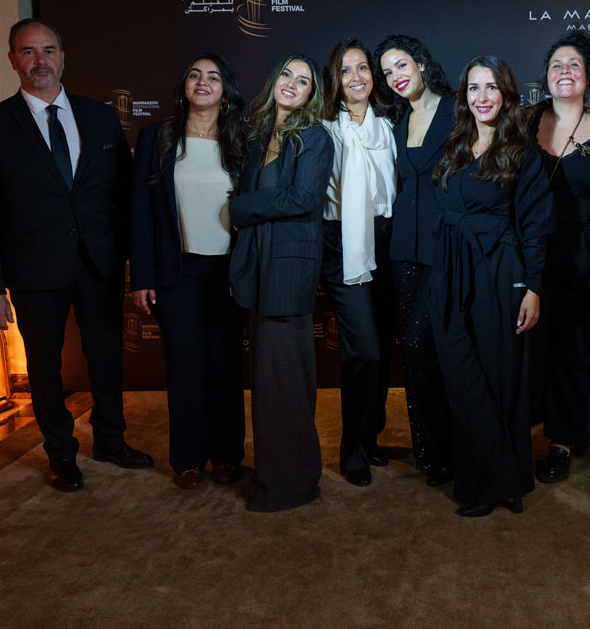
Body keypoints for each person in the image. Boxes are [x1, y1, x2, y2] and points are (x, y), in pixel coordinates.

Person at [0, 18, 152, 492]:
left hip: (98, 263)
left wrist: (138, 264)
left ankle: (110, 440)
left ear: (63, 57)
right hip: (33, 269)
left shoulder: (100, 116)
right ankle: (61, 453)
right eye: (28, 52)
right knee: (44, 366)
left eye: (48, 50)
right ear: (12, 60)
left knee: (106, 356)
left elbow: (126, 197)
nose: (40, 60)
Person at [430, 55, 554, 517]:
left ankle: (496, 484)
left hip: (499, 272)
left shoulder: (522, 151)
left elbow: (536, 224)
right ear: (463, 96)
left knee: (499, 377)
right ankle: (494, 474)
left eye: (491, 88)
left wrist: (533, 287)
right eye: (473, 88)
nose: (482, 97)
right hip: (451, 269)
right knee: (462, 375)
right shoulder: (455, 143)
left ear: (506, 94)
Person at [130, 52, 247, 490]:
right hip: (176, 271)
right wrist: (142, 275)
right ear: (184, 87)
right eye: (195, 75)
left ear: (225, 91)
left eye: (213, 76)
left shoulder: (243, 141)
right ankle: (189, 460)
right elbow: (140, 211)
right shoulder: (157, 138)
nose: (203, 82)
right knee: (184, 366)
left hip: (228, 272)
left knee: (225, 365)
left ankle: (228, 455)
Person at [226, 53, 334, 512]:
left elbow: (302, 197)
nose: (292, 83)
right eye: (287, 74)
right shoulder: (259, 135)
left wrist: (238, 208)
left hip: (289, 269)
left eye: (303, 80)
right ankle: (274, 475)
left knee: (286, 378)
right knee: (267, 381)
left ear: (312, 94)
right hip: (259, 266)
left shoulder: (315, 136)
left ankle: (294, 483)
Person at [526, 30, 590, 485]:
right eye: (556, 65)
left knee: (581, 349)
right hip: (535, 250)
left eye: (574, 65)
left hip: (588, 254)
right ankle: (553, 426)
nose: (565, 72)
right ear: (546, 76)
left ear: (589, 77)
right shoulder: (524, 122)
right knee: (540, 349)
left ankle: (565, 440)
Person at [319, 38, 403, 486]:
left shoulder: (388, 126)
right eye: (346, 70)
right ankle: (352, 449)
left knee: (382, 349)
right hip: (343, 246)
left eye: (363, 67)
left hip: (388, 243)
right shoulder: (323, 129)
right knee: (364, 350)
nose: (356, 77)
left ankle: (370, 437)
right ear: (334, 80)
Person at [375, 34, 456, 486]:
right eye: (387, 72)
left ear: (422, 63)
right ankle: (431, 451)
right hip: (404, 251)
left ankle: (459, 445)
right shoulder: (398, 121)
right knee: (413, 351)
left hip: (448, 248)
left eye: (401, 65)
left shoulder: (459, 110)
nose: (395, 76)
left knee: (437, 347)